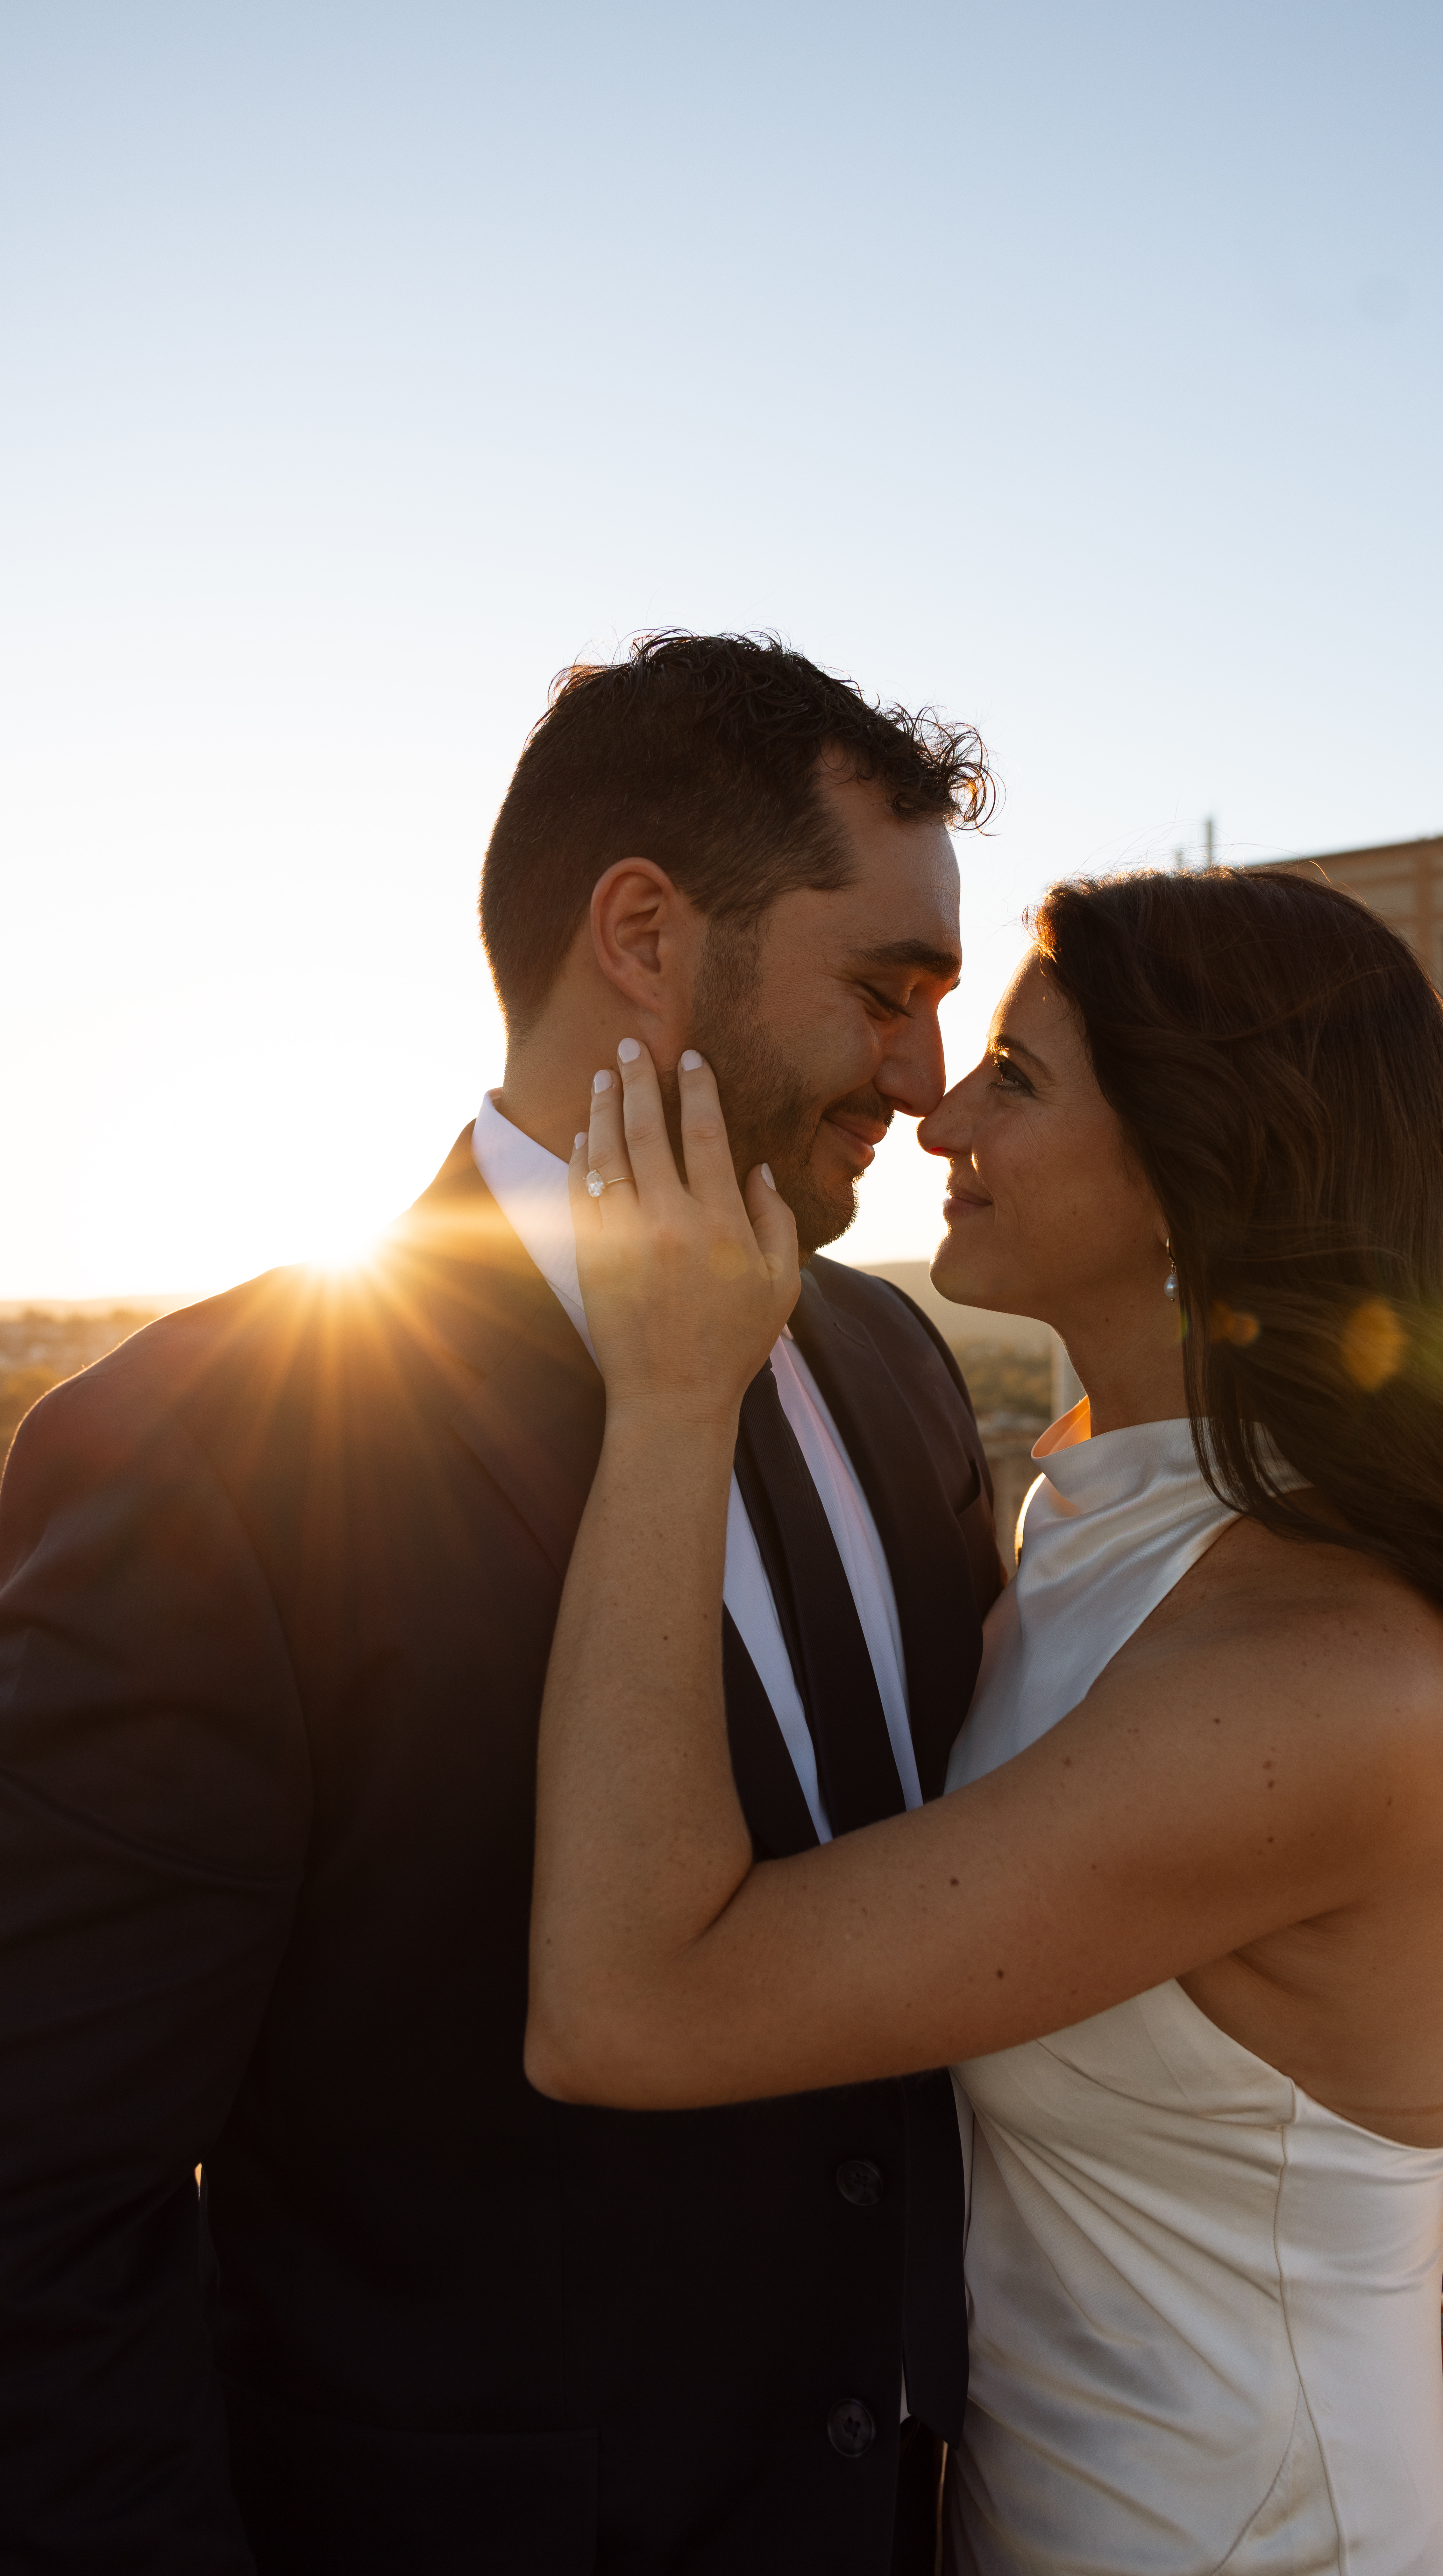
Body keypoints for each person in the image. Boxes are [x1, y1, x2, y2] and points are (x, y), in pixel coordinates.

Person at [0, 634, 1003, 2574]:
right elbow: (42, 2197)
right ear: (644, 933)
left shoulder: (896, 1364)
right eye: (886, 992)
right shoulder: (208, 1445)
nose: (921, 1076)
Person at [525, 864, 1443, 2576]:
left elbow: (628, 2012)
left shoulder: (1312, 1679)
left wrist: (673, 1401)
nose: (941, 1112)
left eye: (1018, 1079)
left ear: (1199, 1176)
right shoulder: (1106, 1518)